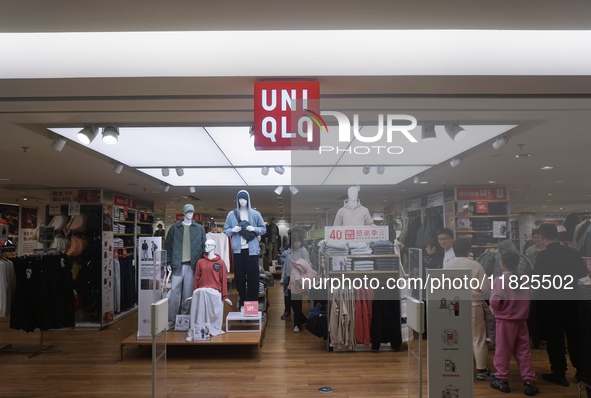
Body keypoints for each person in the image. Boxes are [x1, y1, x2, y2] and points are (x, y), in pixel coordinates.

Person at [534, 223, 587, 387]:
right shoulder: (573, 252)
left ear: (541, 237)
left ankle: (559, 373)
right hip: (571, 300)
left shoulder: (542, 256)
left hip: (550, 303)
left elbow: (537, 280)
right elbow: (582, 274)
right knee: (574, 336)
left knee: (554, 338)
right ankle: (582, 372)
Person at [444, 238, 494, 381]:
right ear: (468, 249)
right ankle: (481, 370)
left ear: (454, 249)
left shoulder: (448, 266)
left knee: (456, 337)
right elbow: (485, 289)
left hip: (453, 306)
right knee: (478, 339)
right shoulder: (475, 265)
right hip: (474, 306)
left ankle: (457, 367)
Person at [489, 251, 538, 396]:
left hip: (504, 322)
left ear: (502, 263)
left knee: (503, 351)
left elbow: (495, 302)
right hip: (522, 321)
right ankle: (530, 382)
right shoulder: (523, 280)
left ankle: (501, 379)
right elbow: (529, 298)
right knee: (524, 352)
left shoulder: (499, 280)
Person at [163, 204, 206, 328]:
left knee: (188, 295)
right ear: (183, 212)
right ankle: (170, 322)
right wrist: (169, 262)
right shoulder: (174, 228)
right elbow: (168, 246)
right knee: (174, 295)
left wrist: (202, 265)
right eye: (187, 212)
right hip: (177, 265)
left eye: (191, 212)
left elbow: (204, 247)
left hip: (192, 266)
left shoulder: (199, 229)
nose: (190, 214)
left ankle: (184, 322)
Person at [224, 190, 266, 310]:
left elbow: (263, 229)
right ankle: (243, 301)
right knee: (239, 278)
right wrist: (233, 230)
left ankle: (252, 304)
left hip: (252, 250)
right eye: (240, 199)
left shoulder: (255, 214)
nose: (242, 201)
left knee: (253, 277)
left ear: (248, 199)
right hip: (238, 251)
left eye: (244, 199)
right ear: (237, 200)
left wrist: (254, 228)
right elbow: (226, 230)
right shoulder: (232, 215)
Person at [186, 239, 232, 341]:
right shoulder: (200, 262)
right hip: (201, 291)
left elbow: (223, 280)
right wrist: (194, 292)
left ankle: (208, 329)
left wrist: (224, 296)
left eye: (209, 245)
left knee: (205, 297)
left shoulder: (220, 263)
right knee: (199, 300)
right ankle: (195, 331)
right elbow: (196, 278)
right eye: (206, 245)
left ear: (213, 247)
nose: (206, 247)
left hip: (214, 292)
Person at [279, 228, 310, 332]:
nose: (297, 243)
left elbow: (308, 265)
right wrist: (282, 279)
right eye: (295, 241)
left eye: (299, 241)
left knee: (297, 302)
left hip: (298, 280)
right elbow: (285, 266)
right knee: (291, 302)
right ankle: (302, 319)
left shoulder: (303, 251)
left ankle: (297, 325)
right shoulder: (289, 252)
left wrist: (299, 266)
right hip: (289, 279)